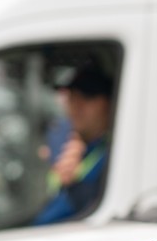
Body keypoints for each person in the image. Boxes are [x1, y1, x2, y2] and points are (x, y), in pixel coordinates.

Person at [34, 63, 113, 225]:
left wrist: (71, 183)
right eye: (72, 96)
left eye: (87, 97)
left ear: (108, 103)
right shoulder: (67, 144)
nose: (77, 105)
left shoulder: (112, 154)